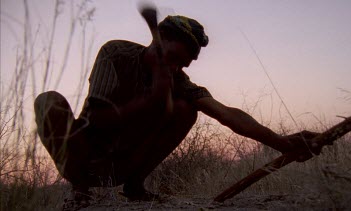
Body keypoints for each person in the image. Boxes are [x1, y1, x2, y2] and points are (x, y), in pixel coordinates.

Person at [34, 15, 321, 205]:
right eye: (172, 58)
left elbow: (227, 114)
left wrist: (282, 143)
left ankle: (134, 186)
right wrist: (148, 102)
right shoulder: (115, 52)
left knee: (186, 110)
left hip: (123, 164)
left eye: (182, 65)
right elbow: (96, 118)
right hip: (83, 157)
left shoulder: (178, 82)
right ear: (158, 39)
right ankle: (80, 192)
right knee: (48, 101)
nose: (174, 69)